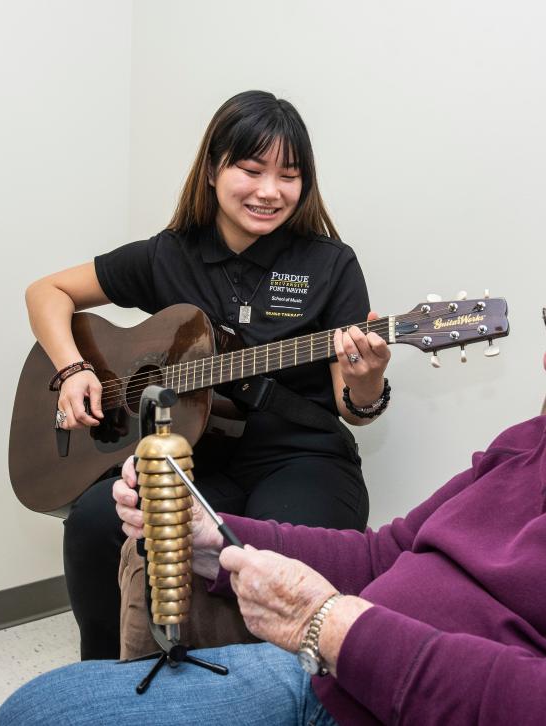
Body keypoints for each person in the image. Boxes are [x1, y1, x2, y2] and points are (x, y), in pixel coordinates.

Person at [0, 183, 546, 725]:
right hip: (329, 676)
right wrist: (221, 541)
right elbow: (384, 553)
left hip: (353, 690)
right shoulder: (541, 442)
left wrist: (328, 626)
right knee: (41, 705)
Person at [24, 90, 392, 660]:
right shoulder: (168, 256)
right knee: (96, 520)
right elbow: (45, 291)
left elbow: (354, 405)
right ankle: (103, 682)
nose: (270, 191)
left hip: (301, 456)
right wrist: (73, 369)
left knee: (282, 552)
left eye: (289, 176)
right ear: (215, 167)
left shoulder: (330, 263)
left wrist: (367, 379)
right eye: (251, 170)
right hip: (194, 456)